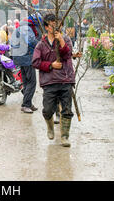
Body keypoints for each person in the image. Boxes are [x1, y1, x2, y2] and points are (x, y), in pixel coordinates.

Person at [32, 14, 75, 147]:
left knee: (67, 110)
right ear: (46, 27)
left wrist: (61, 40)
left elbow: (68, 55)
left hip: (65, 79)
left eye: (58, 24)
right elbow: (35, 62)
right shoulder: (41, 44)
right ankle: (50, 126)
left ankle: (65, 136)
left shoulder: (66, 39)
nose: (56, 27)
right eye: (52, 24)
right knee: (48, 110)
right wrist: (51, 65)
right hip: (49, 81)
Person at [10, 15, 40, 113]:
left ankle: (28, 103)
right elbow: (31, 41)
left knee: (26, 82)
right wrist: (42, 44)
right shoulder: (26, 28)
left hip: (20, 58)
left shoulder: (20, 27)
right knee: (32, 82)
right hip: (26, 58)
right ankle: (26, 105)